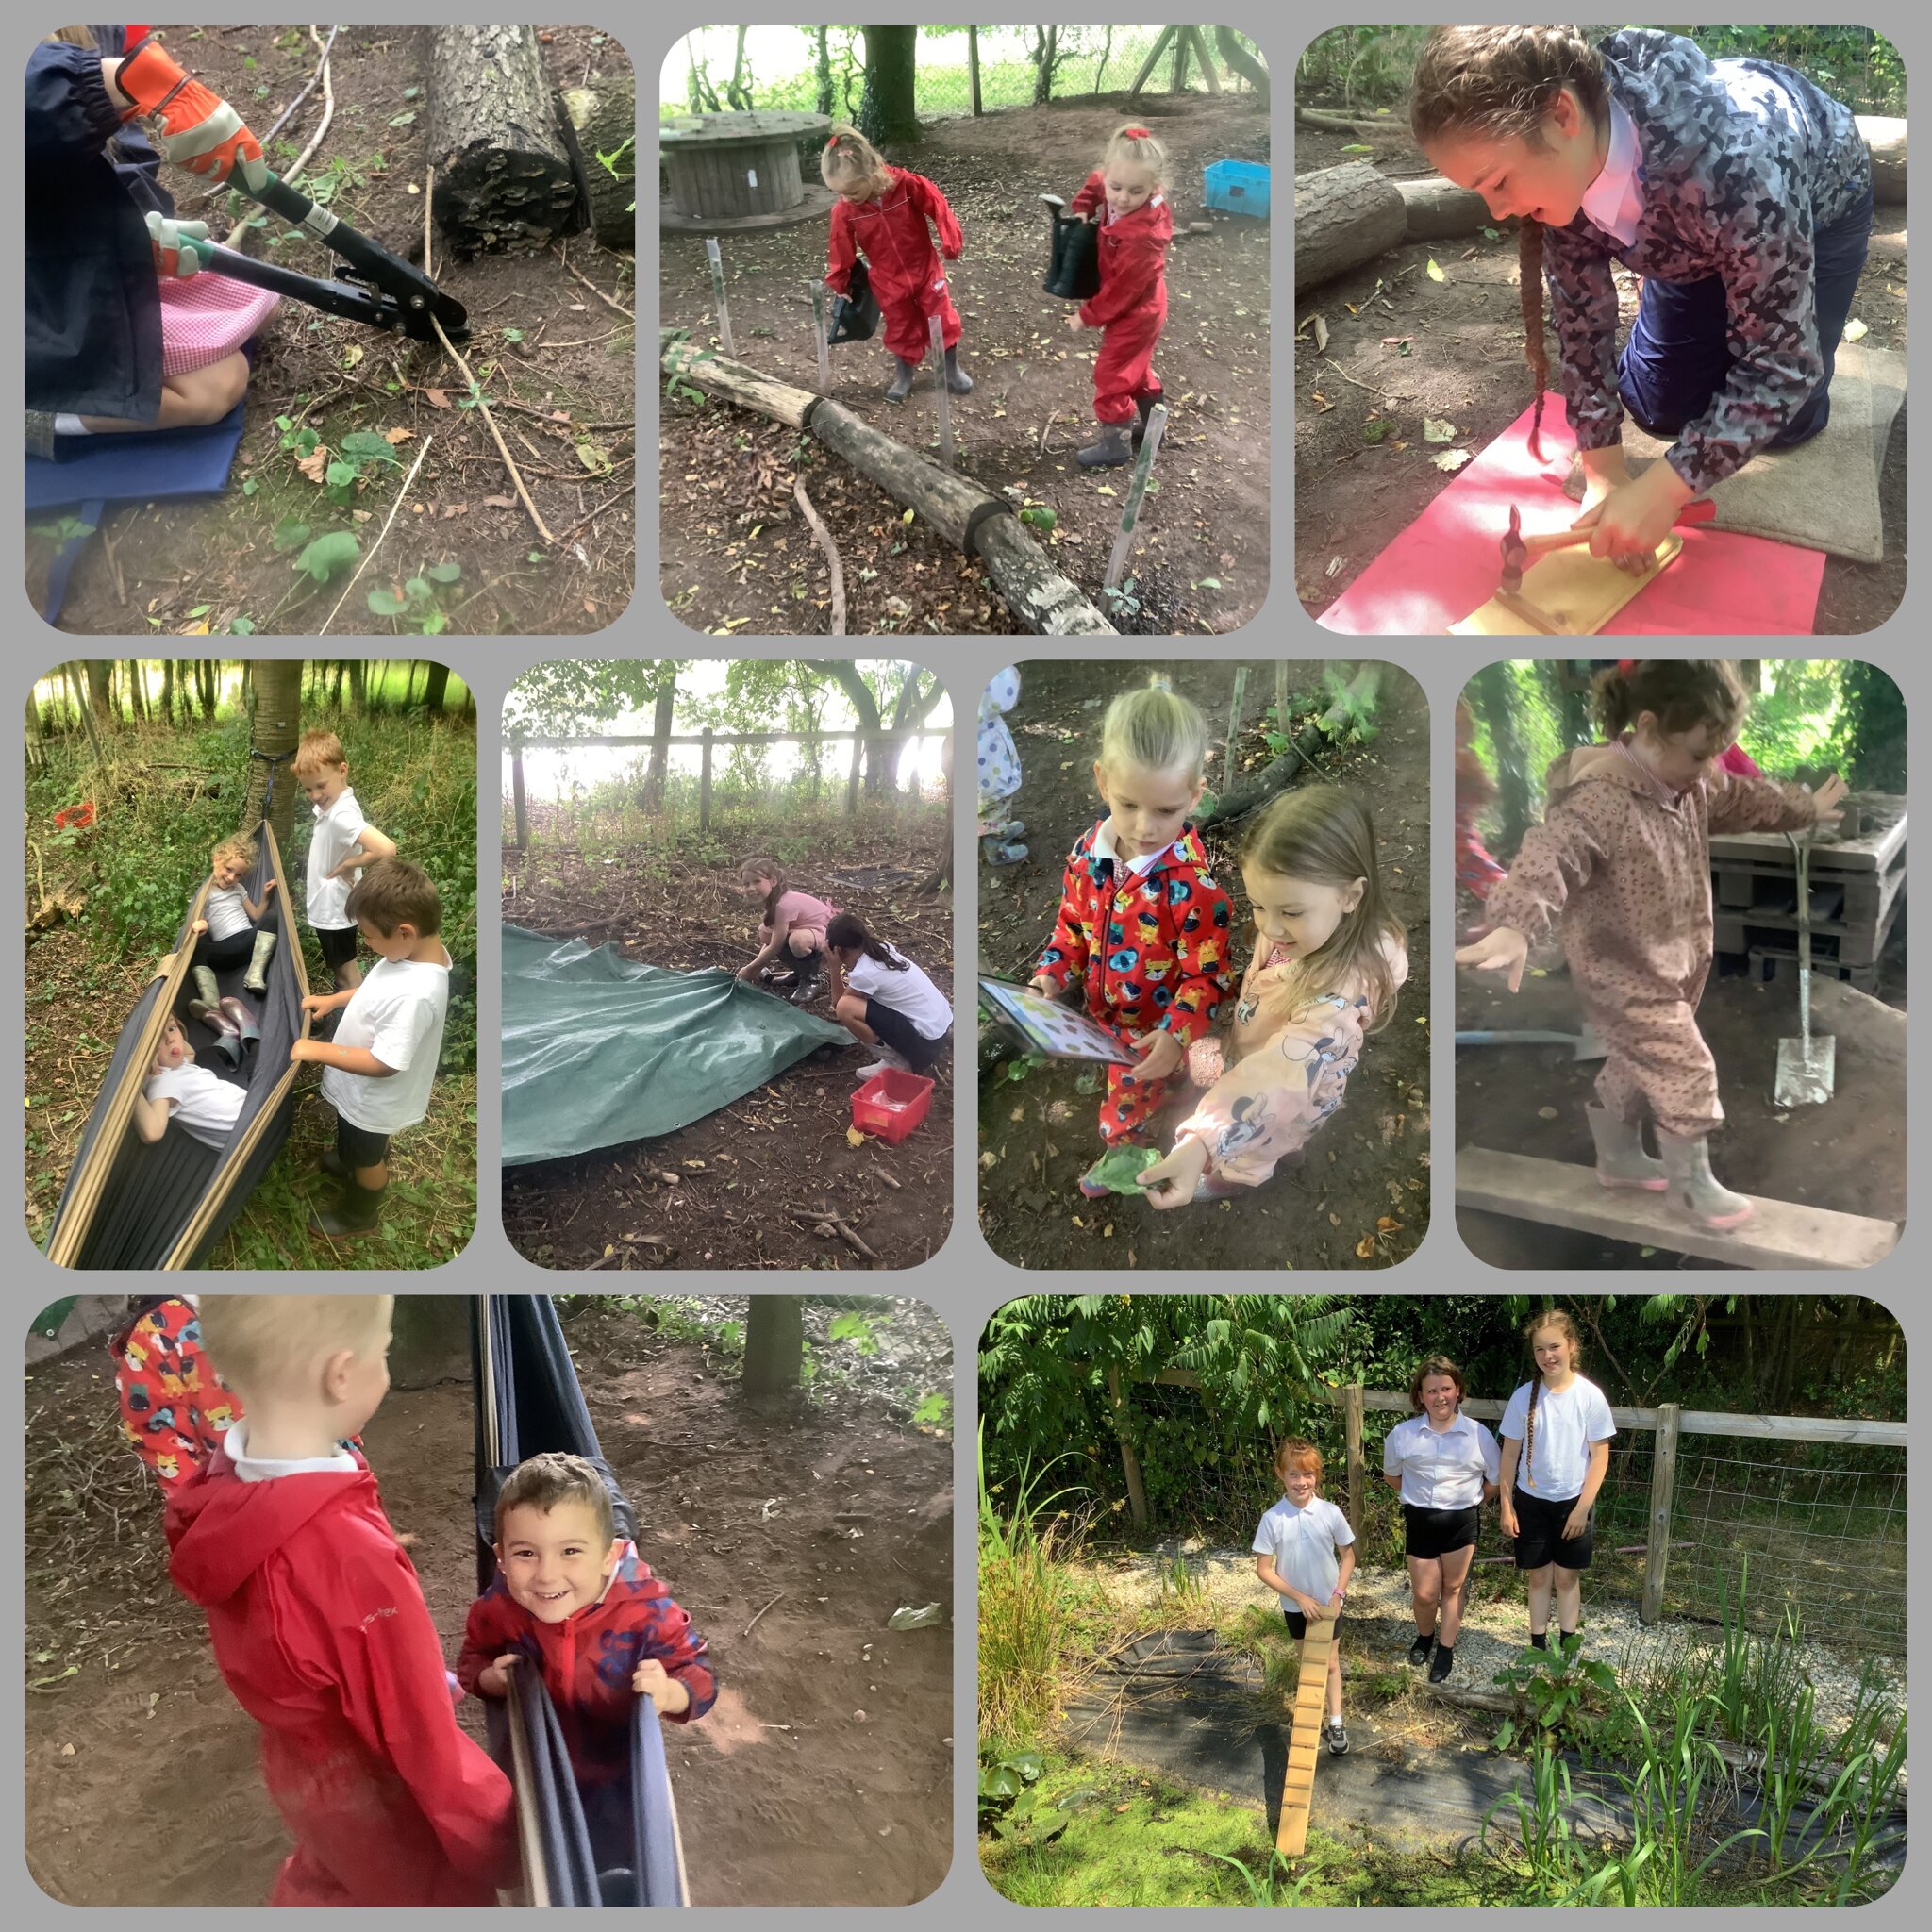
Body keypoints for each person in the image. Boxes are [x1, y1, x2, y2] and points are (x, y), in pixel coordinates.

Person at [1411, 25, 1874, 574]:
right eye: (1480, 192)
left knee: (1788, 418)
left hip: (1818, 208)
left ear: (1562, 116)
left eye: (1499, 181)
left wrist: (1662, 492)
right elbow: (1580, 326)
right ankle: (1701, 279)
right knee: (1661, 408)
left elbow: (1784, 367)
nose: (1498, 211)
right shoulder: (1565, 171)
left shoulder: (1739, 164)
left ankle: (1728, 288)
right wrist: (1605, 476)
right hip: (1693, 233)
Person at [1455, 659, 1843, 1231]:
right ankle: (1690, 1188)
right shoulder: (1598, 801)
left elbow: (1741, 797)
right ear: (1647, 727)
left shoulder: (1688, 780)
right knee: (1686, 1065)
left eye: (1714, 754)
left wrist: (1805, 806)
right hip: (1620, 971)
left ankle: (1617, 1158)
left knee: (1639, 1063)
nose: (1707, 768)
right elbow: (1549, 854)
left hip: (1678, 960)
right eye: (1696, 754)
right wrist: (1515, 924)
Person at [166, 1295, 515, 1907]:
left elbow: (309, 1640)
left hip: (303, 1770)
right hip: (376, 1793)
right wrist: (506, 1839)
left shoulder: (224, 1488)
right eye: (384, 1353)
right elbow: (418, 1738)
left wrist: (427, 1678)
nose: (388, 1365)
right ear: (342, 1374)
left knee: (343, 1866)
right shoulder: (350, 1557)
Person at [1139, 787, 1407, 1208]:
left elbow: (1283, 1071)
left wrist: (1202, 1145)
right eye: (1258, 905)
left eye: (1291, 912)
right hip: (1259, 1050)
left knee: (1261, 1141)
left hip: (1290, 1086)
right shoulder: (1302, 934)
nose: (1271, 927)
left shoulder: (1338, 994)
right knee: (1265, 1116)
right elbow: (1268, 975)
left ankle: (1239, 1176)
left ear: (1351, 896)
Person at [26, 27, 280, 455]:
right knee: (216, 384)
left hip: (49, 255)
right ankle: (35, 416)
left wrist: (132, 227)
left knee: (256, 293)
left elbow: (106, 156)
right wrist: (110, 83)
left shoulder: (84, 30)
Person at [459, 1451, 716, 1872]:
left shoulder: (645, 1610)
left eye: (570, 1551)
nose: (546, 1574)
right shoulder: (498, 1607)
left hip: (617, 1776)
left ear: (609, 1556)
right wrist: (489, 1679)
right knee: (535, 1867)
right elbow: (472, 1658)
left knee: (614, 1870)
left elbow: (702, 1678)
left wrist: (670, 1693)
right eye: (526, 1553)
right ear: (501, 1557)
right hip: (534, 1770)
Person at [1028, 679, 1234, 1198]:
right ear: (1102, 782)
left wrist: (1174, 1035)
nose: (1145, 827)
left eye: (1166, 811)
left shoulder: (1191, 890)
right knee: (1158, 1081)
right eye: (1129, 805)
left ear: (1194, 795)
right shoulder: (1086, 855)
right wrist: (1050, 976)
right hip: (1108, 1024)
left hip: (1152, 1030)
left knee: (1140, 1101)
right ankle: (1173, 1094)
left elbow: (1206, 977)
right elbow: (1071, 928)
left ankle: (1129, 1155)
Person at [292, 859, 450, 1239]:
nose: (365, 943)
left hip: (372, 1101)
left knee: (367, 1154)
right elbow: (376, 989)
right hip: (362, 1095)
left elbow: (384, 1063)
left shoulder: (416, 994)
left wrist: (317, 1051)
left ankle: (359, 1215)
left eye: (368, 935)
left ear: (405, 932)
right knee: (354, 1143)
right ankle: (350, 1158)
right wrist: (338, 999)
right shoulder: (410, 955)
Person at [821, 125, 974, 405]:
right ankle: (904, 376)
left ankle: (951, 368)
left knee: (941, 317)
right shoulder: (845, 211)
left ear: (872, 171)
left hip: (926, 270)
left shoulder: (906, 185)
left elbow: (937, 205)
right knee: (900, 325)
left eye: (852, 191)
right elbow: (840, 247)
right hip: (887, 279)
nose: (847, 198)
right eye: (839, 193)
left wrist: (950, 239)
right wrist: (840, 282)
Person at [1497, 1309, 1617, 1652]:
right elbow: (1508, 1456)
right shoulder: (1523, 1397)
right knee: (1538, 1576)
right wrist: (1507, 1507)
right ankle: (1537, 1647)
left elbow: (1600, 1457)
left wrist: (1582, 1510)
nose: (1548, 1356)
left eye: (1554, 1347)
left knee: (1566, 1577)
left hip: (1573, 1503)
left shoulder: (1589, 1396)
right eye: (1539, 1350)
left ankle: (1567, 1646)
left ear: (1571, 1345)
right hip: (1530, 1502)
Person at [1382, 1357, 1500, 1685]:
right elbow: (1392, 1476)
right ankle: (1425, 1635)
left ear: (1458, 1390)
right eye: (1431, 1390)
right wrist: (1420, 1499)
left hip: (1462, 1522)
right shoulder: (1403, 1435)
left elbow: (1494, 1480)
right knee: (1424, 1594)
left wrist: (1470, 1502)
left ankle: (1445, 1648)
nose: (1440, 1397)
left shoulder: (1478, 1435)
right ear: (1420, 1395)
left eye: (1446, 1388)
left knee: (1454, 1587)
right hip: (1420, 1520)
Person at [1063, 124, 1174, 468]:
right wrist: (1084, 205)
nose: (1123, 198)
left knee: (1112, 373)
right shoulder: (1109, 182)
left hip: (1138, 310)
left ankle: (1117, 443)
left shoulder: (1142, 237)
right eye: (1116, 187)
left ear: (1155, 188)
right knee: (1134, 368)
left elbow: (1122, 292)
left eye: (1136, 191)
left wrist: (1088, 315)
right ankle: (1156, 425)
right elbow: (1095, 182)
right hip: (1141, 303)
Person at [1252, 1437, 1357, 1756]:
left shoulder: (1330, 1512)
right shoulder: (1272, 1519)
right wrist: (1299, 1598)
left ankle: (1336, 1720)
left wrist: (1337, 1594)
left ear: (1317, 1475)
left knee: (1330, 1662)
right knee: (1307, 1664)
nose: (1301, 1482)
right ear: (1280, 1474)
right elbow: (1264, 1570)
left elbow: (1348, 1557)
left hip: (1328, 1606)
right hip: (1296, 1607)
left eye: (1308, 1474)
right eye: (1294, 1474)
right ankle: (1310, 1721)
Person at [295, 728, 395, 999]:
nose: (315, 795)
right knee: (343, 969)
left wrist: (351, 863)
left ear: (342, 770)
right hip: (333, 906)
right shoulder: (339, 803)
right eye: (308, 789)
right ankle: (350, 1004)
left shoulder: (340, 815)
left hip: (333, 910)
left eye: (320, 785)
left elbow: (386, 849)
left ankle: (357, 1016)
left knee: (346, 973)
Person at [110, 1293, 239, 1485]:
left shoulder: (278, 1309)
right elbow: (159, 1439)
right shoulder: (155, 1336)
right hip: (222, 1484)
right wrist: (202, 1499)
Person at [826, 909, 953, 1078]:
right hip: (940, 1027)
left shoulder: (866, 972)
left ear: (837, 950)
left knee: (845, 1008)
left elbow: (839, 1003)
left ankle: (896, 1062)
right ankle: (900, 1054)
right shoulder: (881, 949)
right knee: (856, 1003)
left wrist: (834, 968)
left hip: (925, 1044)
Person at [735, 858, 841, 1004]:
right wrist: (757, 967)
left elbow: (776, 946)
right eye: (746, 884)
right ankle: (799, 974)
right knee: (765, 934)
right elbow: (770, 943)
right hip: (811, 931)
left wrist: (750, 969)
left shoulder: (782, 905)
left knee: (797, 941)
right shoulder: (773, 902)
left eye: (757, 881)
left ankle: (811, 980)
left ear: (773, 881)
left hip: (829, 934)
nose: (751, 888)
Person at [134, 1014, 243, 1149]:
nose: (169, 1040)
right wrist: (133, 1081)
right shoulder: (162, 1082)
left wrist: (172, 1028)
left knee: (206, 1055)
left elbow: (190, 1054)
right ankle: (244, 1032)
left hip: (248, 1107)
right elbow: (152, 1133)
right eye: (157, 1039)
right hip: (248, 1124)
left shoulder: (175, 1066)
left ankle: (233, 1035)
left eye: (171, 1029)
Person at [189, 831, 279, 993]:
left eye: (238, 875)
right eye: (228, 869)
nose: (231, 878)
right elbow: (199, 920)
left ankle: (255, 975)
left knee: (272, 917)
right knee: (197, 950)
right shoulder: (205, 892)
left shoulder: (239, 889)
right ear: (217, 860)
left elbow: (256, 915)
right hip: (224, 951)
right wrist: (201, 924)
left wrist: (266, 896)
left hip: (249, 944)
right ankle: (211, 1000)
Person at [1454, 699, 1507, 902]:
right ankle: (1495, 909)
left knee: (1472, 864)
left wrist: (1470, 775)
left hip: (1460, 838)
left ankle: (1509, 894)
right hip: (1460, 835)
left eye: (1458, 729)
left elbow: (1487, 791)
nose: (1455, 736)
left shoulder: (1465, 757)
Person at [977, 665, 1027, 867]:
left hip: (990, 776)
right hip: (990, 780)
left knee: (996, 811)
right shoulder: (981, 712)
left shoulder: (983, 716)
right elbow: (998, 691)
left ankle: (999, 830)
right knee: (992, 811)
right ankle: (995, 849)